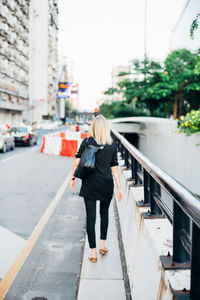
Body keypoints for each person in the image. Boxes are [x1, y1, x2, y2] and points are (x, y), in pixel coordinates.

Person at [70, 115, 122, 263]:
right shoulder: (111, 145)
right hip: (106, 184)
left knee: (91, 219)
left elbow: (77, 162)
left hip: (90, 185)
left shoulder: (86, 142)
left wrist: (73, 178)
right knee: (104, 215)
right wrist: (119, 188)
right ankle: (102, 246)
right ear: (106, 128)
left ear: (93, 127)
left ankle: (93, 253)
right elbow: (115, 168)